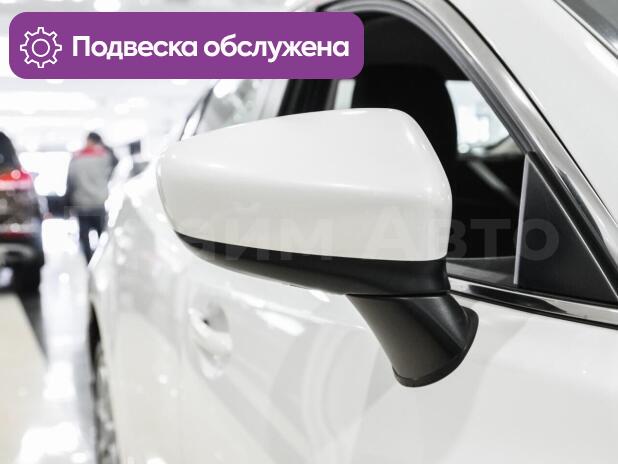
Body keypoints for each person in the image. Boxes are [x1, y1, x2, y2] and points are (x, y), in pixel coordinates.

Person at [66, 132, 115, 262]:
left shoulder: (76, 158)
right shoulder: (104, 156)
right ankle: (101, 261)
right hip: (98, 203)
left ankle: (89, 262)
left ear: (88, 140)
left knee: (84, 237)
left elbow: (70, 182)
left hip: (81, 204)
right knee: (102, 236)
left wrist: (68, 204)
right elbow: (115, 161)